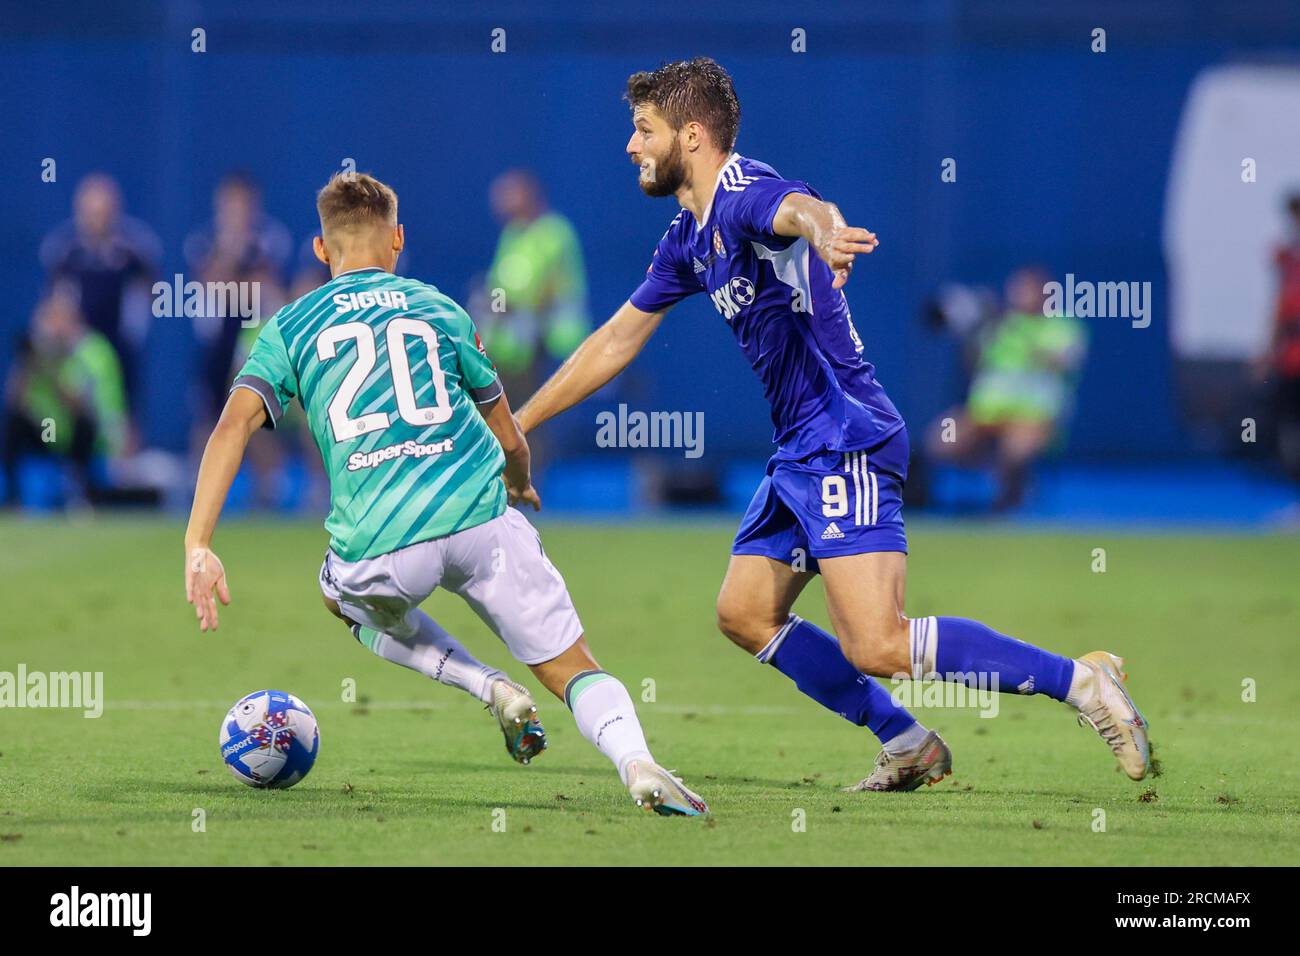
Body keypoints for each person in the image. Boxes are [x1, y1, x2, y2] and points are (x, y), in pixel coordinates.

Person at [516, 58, 1150, 790]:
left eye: (643, 129)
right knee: (745, 612)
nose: (631, 145)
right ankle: (907, 740)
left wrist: (826, 228)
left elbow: (796, 208)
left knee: (878, 641)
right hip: (801, 451)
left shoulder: (741, 193)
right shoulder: (688, 237)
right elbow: (615, 340)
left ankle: (1082, 682)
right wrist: (519, 423)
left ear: (690, 135)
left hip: (845, 437)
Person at [183, 172, 707, 816]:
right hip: (480, 518)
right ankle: (635, 760)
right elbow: (512, 437)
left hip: (380, 543)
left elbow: (233, 425)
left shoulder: (290, 327)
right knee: (574, 666)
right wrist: (518, 481)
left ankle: (487, 686)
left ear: (321, 252)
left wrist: (199, 542)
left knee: (335, 594)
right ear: (398, 240)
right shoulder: (439, 309)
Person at [925, 266, 1087, 510]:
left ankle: (1010, 499)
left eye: (1027, 290)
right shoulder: (996, 325)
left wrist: (1019, 333)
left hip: (1035, 416)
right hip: (985, 415)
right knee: (942, 440)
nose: (1019, 296)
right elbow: (973, 362)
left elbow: (1064, 361)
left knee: (1016, 449)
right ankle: (999, 475)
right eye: (1017, 289)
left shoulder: (1061, 326)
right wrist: (974, 329)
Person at [39, 173, 159, 419]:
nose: (98, 220)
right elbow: (53, 301)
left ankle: (126, 453)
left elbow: (151, 291)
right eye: (91, 213)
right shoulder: (64, 251)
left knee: (122, 414)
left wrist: (135, 330)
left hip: (119, 344)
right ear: (79, 212)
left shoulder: (133, 250)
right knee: (75, 409)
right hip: (78, 345)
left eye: (104, 213)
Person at [472, 170, 590, 411]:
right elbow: (500, 285)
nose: (501, 201)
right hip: (514, 349)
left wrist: (506, 305)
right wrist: (490, 303)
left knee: (534, 416)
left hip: (550, 345)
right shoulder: (512, 233)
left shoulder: (554, 232)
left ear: (528, 195)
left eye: (509, 193)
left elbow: (548, 287)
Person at [2, 294, 126, 506]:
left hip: (85, 435)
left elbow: (82, 404)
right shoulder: (36, 354)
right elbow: (13, 399)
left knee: (83, 425)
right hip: (49, 428)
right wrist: (29, 367)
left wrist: (53, 373)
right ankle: (10, 492)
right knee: (16, 424)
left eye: (54, 319)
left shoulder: (89, 351)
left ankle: (77, 489)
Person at [1261, 193, 1300, 483]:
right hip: (1292, 359)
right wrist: (1267, 350)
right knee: (1289, 427)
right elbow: (1278, 308)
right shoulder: (1287, 258)